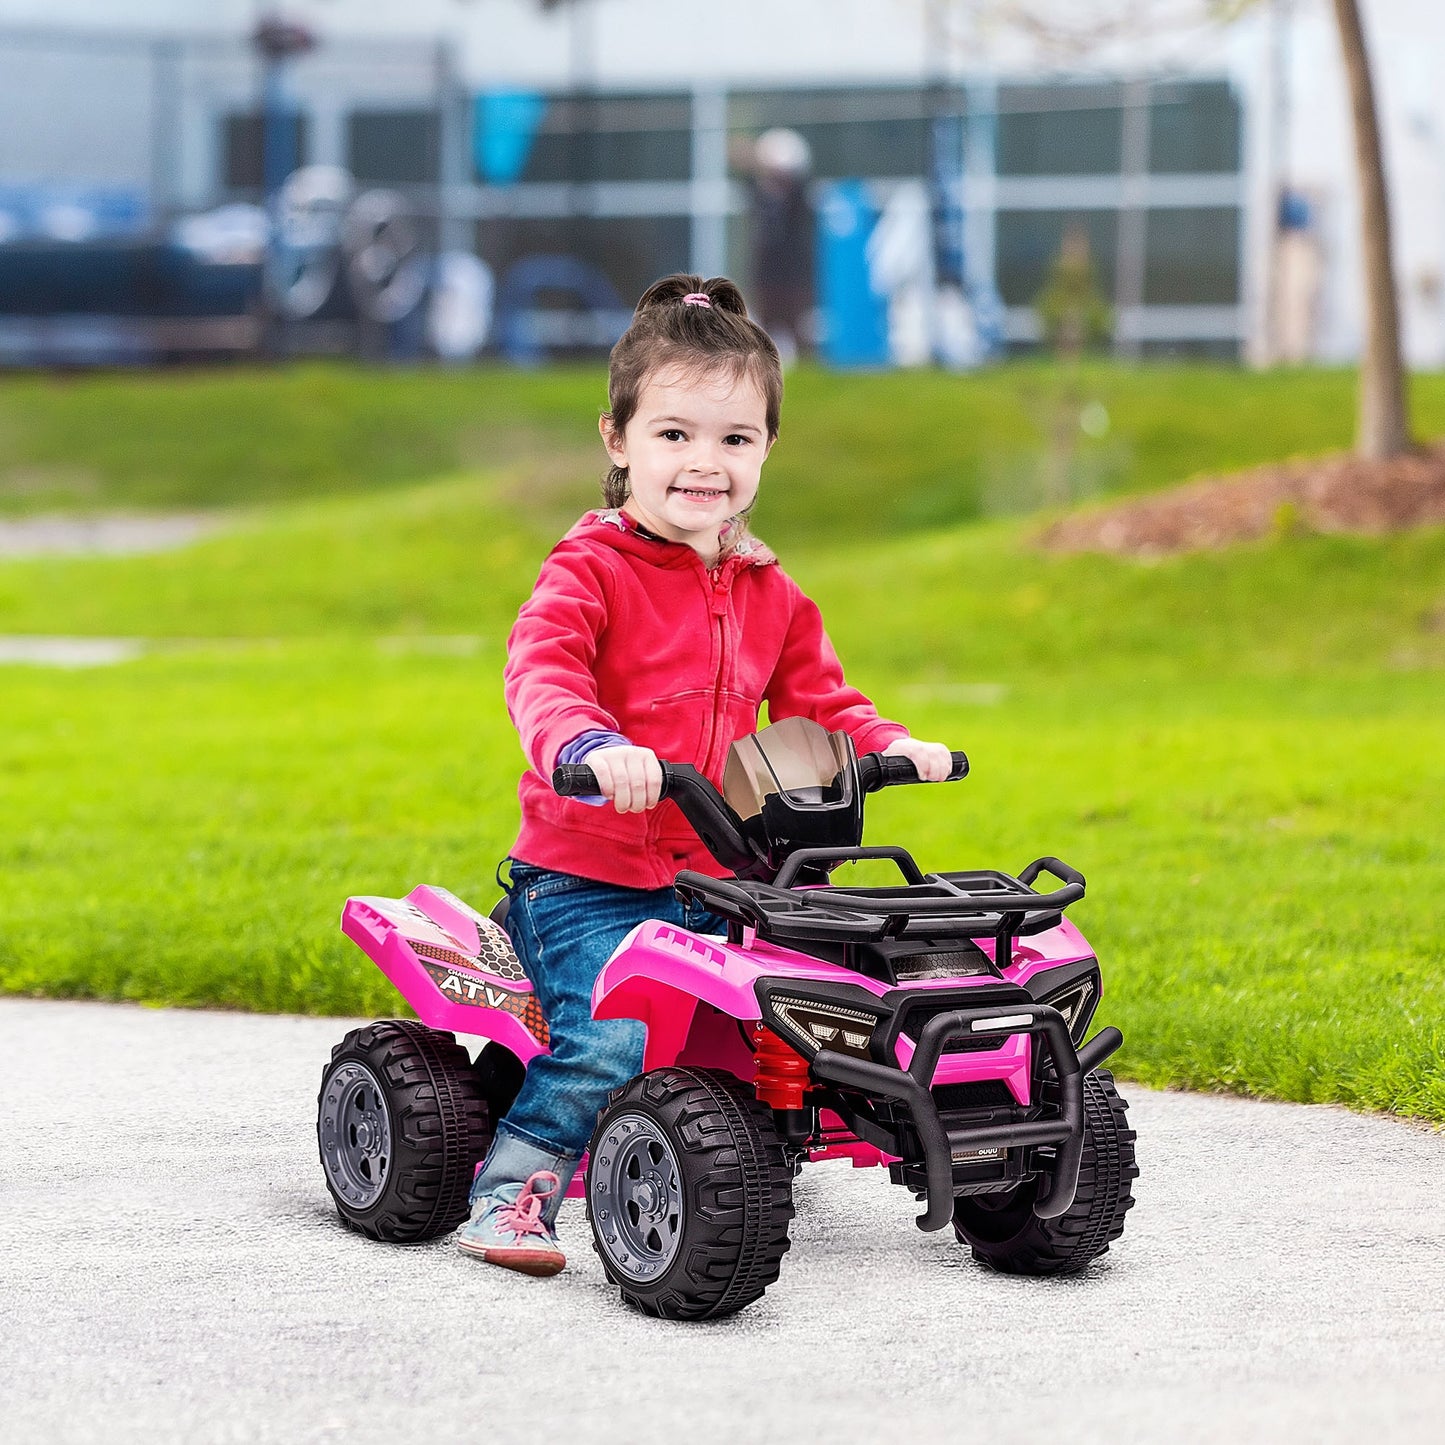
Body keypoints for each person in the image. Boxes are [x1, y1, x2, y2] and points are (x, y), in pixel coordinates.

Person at [456, 272, 953, 1276]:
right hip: (586, 880)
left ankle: (802, 1134)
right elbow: (542, 669)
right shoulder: (587, 569)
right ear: (617, 441)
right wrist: (586, 747)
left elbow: (818, 706)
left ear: (767, 447)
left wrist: (885, 745)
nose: (704, 463)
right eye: (674, 435)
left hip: (724, 873)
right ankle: (511, 1187)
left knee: (847, 987)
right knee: (612, 1034)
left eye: (734, 439)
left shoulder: (770, 586)